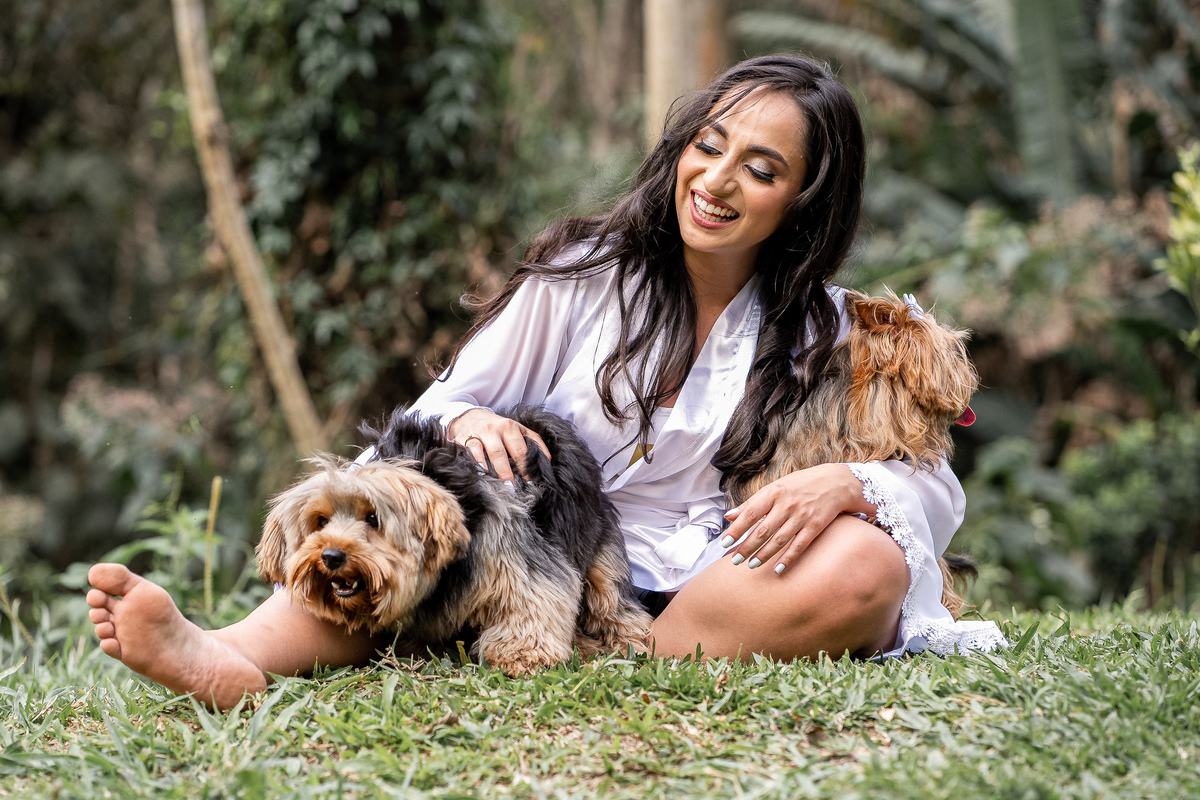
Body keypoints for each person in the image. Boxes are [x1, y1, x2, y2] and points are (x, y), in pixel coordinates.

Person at [86, 55, 1004, 710]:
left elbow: (932, 486)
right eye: (708, 146)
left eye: (760, 170)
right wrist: (473, 418)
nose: (716, 181)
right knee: (401, 521)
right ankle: (229, 655)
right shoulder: (584, 269)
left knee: (868, 563)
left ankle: (628, 658)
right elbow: (436, 407)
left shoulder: (832, 332)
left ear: (803, 200)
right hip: (532, 560)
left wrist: (849, 481)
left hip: (709, 591)